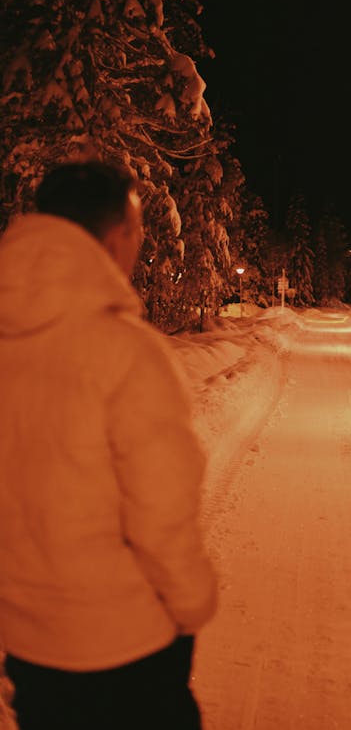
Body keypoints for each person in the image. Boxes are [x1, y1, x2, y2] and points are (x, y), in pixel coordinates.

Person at [0, 161, 217, 730]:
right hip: (125, 647)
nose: (141, 242)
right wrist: (190, 604)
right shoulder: (126, 353)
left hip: (29, 647)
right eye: (139, 227)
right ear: (118, 231)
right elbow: (162, 512)